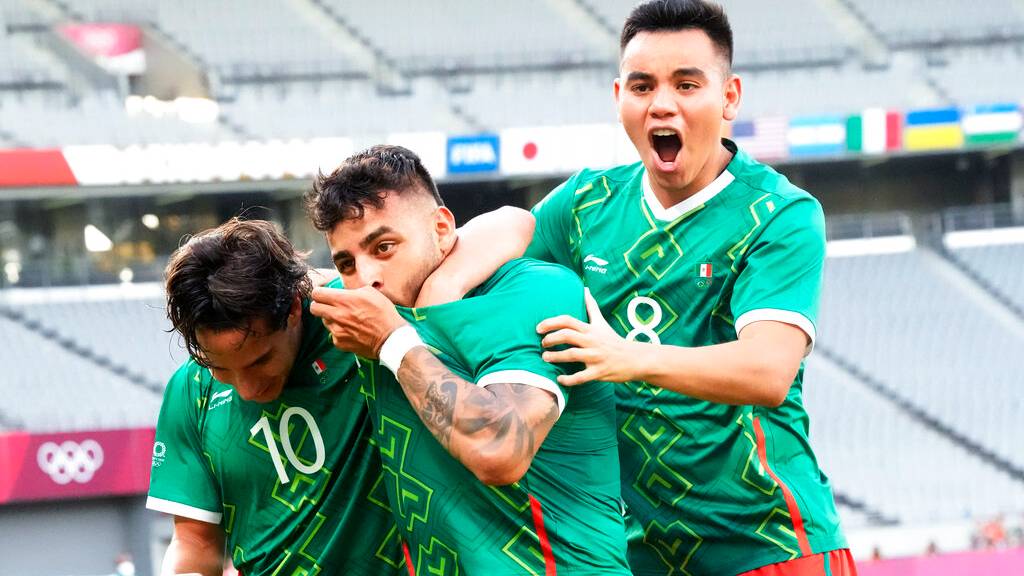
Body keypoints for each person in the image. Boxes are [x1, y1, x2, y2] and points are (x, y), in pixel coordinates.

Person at [524, 1, 855, 575]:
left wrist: (626, 357)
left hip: (767, 544)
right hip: (636, 553)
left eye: (686, 84)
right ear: (619, 97)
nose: (662, 103)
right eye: (642, 85)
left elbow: (767, 372)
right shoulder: (584, 204)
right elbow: (498, 263)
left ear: (728, 98)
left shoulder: (779, 213)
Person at [147, 211, 532, 575]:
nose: (247, 389)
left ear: (295, 309)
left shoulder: (362, 323)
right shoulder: (190, 391)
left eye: (260, 361)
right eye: (220, 369)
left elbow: (515, 222)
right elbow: (195, 545)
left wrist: (441, 288)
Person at [305, 144, 631, 575]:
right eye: (346, 263)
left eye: (383, 247)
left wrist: (394, 343)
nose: (366, 280)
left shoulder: (534, 293)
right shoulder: (370, 311)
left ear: (441, 229)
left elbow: (500, 451)